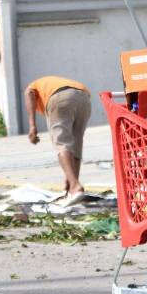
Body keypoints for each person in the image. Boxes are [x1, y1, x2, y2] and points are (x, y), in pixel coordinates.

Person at [24, 76, 92, 207]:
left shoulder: (33, 86)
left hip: (60, 97)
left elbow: (29, 92)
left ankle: (75, 186)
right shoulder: (51, 83)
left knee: (62, 143)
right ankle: (72, 189)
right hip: (84, 98)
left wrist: (32, 125)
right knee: (76, 144)